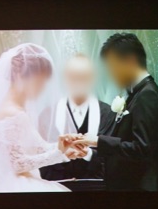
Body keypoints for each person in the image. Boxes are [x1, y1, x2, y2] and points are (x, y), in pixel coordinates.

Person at [0, 43, 86, 193]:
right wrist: (58, 154)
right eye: (39, 80)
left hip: (27, 179)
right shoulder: (10, 112)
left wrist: (65, 148)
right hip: (16, 184)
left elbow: (37, 147)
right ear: (19, 76)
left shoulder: (19, 110)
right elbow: (17, 164)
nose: (42, 87)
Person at [65, 33, 158, 191]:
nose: (111, 74)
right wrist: (91, 148)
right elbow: (125, 142)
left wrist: (98, 141)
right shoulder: (137, 94)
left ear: (130, 61)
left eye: (113, 67)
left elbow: (141, 149)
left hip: (139, 189)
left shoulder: (147, 95)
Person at [39, 54, 114, 183]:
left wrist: (89, 154)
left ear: (92, 79)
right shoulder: (48, 115)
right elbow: (40, 157)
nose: (78, 81)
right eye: (73, 76)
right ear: (65, 78)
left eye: (84, 76)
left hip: (97, 188)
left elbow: (112, 159)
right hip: (57, 187)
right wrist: (61, 154)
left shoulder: (108, 113)